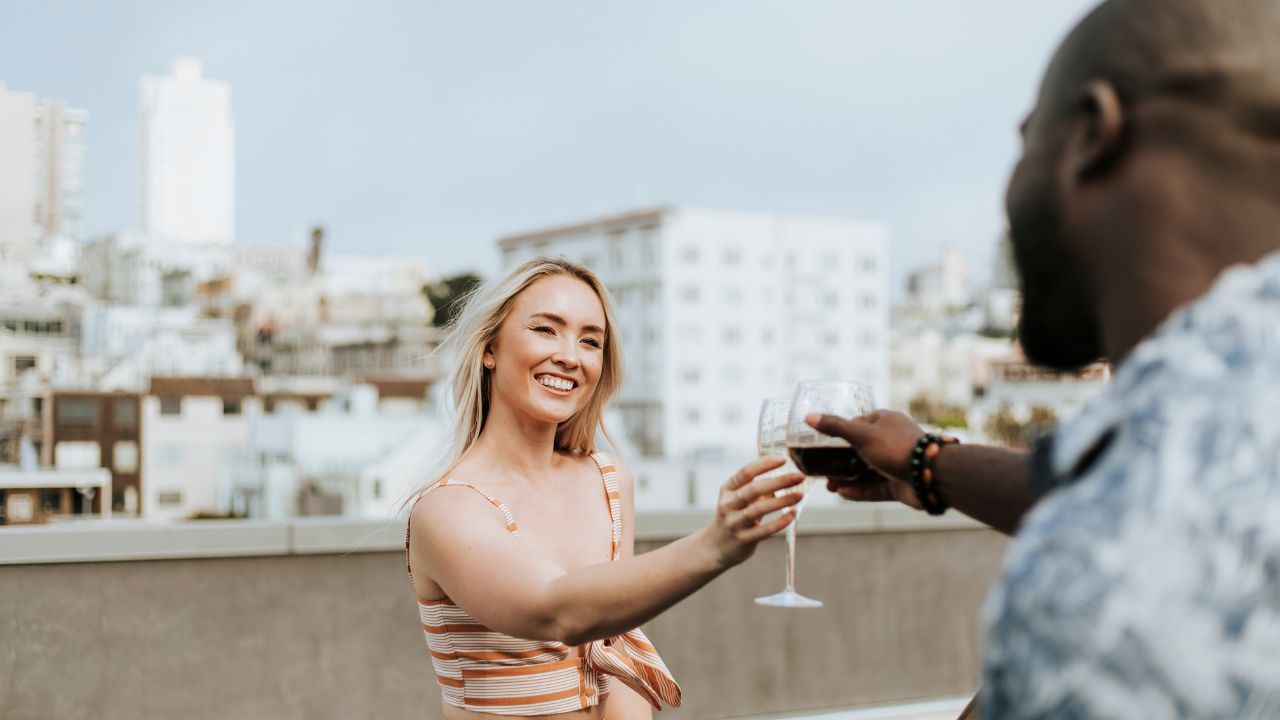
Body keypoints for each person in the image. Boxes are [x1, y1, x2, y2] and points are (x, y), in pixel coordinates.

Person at [807, 0, 1280, 716]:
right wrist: (926, 461)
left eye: (1026, 142)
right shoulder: (1226, 418)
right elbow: (1123, 475)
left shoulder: (1101, 579)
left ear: (1093, 134)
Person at [405, 257, 802, 719]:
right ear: (490, 347)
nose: (571, 356)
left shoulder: (608, 481)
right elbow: (557, 611)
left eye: (590, 340)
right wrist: (715, 546)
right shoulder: (447, 509)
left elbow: (614, 652)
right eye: (545, 329)